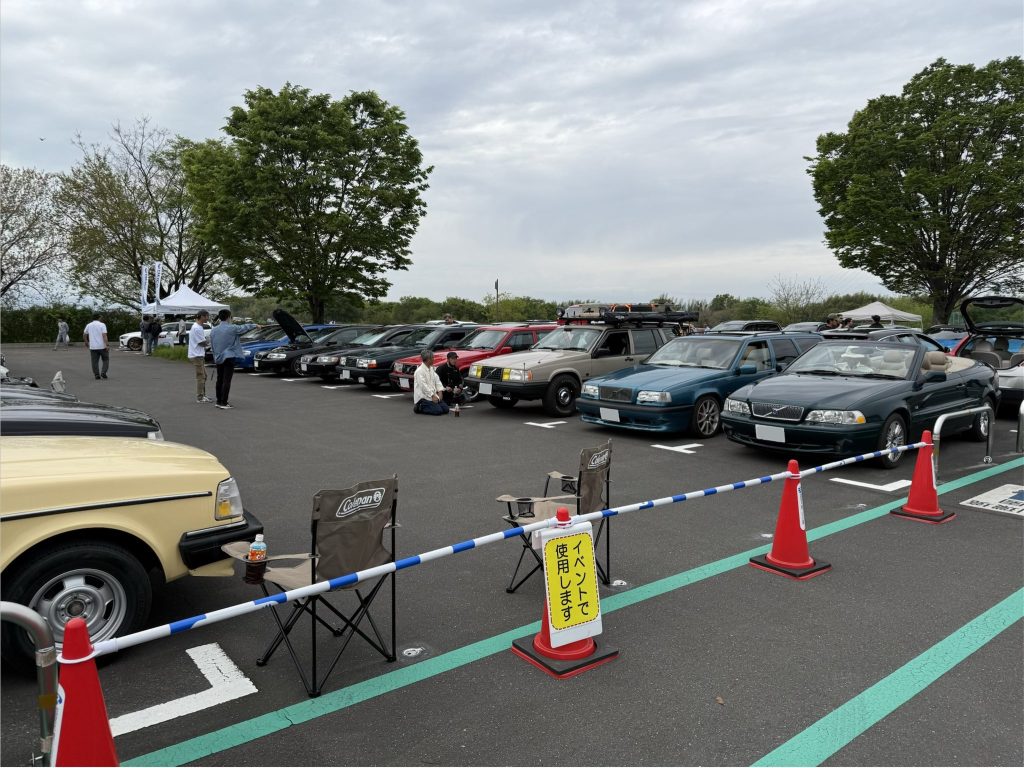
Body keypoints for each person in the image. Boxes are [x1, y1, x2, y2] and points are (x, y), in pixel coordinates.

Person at [209, 309, 258, 409]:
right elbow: (244, 327)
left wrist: (215, 356)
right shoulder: (232, 328)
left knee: (219, 379)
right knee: (226, 380)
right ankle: (224, 403)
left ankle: (218, 401)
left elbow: (212, 345)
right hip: (229, 356)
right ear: (228, 317)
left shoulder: (214, 330)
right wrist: (255, 325)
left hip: (218, 357)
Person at [412, 348, 450, 415]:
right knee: (438, 411)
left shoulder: (431, 369)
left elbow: (437, 381)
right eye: (432, 358)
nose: (433, 359)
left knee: (446, 409)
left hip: (433, 395)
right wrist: (432, 396)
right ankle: (419, 407)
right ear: (428, 359)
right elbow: (423, 386)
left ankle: (430, 405)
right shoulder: (419, 371)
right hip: (423, 397)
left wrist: (440, 391)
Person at [188, 310, 213, 403]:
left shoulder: (198, 326)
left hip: (198, 354)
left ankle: (203, 395)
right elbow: (201, 343)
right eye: (207, 316)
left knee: (204, 376)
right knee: (201, 376)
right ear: (202, 316)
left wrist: (207, 341)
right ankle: (200, 397)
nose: (207, 318)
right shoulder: (197, 328)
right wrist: (210, 341)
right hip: (196, 355)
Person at [83, 312, 109, 379]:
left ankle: (96, 375)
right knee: (105, 359)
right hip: (102, 346)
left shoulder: (89, 325)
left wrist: (86, 342)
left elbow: (84, 334)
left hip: (93, 347)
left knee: (94, 361)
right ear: (99, 317)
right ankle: (103, 372)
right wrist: (107, 345)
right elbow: (104, 335)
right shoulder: (102, 324)